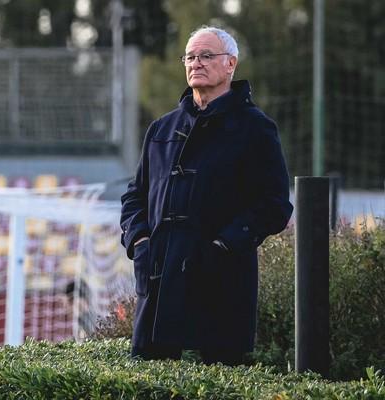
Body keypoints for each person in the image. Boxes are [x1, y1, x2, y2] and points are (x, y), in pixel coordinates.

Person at [120, 26, 293, 365]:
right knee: (148, 379)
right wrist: (139, 241)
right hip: (158, 283)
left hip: (221, 283)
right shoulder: (161, 129)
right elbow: (134, 197)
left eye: (206, 55)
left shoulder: (256, 128)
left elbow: (274, 204)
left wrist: (223, 246)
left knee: (221, 377)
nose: (196, 63)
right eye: (190, 57)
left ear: (231, 64)